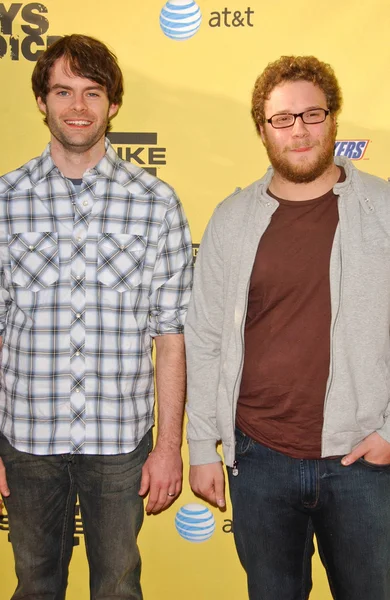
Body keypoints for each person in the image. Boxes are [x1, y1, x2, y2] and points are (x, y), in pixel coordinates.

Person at [185, 55, 390, 600]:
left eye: (312, 114)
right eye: (283, 119)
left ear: (333, 120)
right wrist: (203, 446)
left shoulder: (384, 209)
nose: (298, 130)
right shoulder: (231, 219)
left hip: (363, 462)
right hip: (259, 460)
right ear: (262, 130)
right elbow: (204, 339)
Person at [0, 34, 192, 599]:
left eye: (92, 91)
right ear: (41, 101)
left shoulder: (157, 203)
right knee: (35, 586)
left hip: (121, 444)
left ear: (113, 104)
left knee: (117, 587)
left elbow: (171, 335)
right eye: (63, 91)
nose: (77, 106)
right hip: (27, 440)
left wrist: (167, 448)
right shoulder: (4, 201)